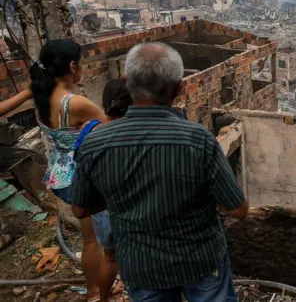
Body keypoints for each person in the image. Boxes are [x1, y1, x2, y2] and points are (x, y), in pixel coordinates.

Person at [69, 42, 249, 302]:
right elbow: (238, 210)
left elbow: (80, 209)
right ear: (178, 87)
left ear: (125, 81)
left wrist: (122, 194)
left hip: (141, 266)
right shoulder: (198, 139)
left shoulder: (95, 143)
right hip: (200, 261)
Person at [29, 39, 108, 302]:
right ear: (73, 66)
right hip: (81, 178)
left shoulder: (41, 95)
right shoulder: (74, 103)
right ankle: (98, 293)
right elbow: (111, 129)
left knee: (90, 239)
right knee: (97, 240)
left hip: (59, 176)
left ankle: (93, 289)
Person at [74, 79, 132, 302]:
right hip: (126, 206)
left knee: (109, 257)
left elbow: (80, 163)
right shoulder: (130, 134)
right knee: (131, 253)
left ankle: (104, 297)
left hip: (100, 208)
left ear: (103, 103)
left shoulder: (89, 129)